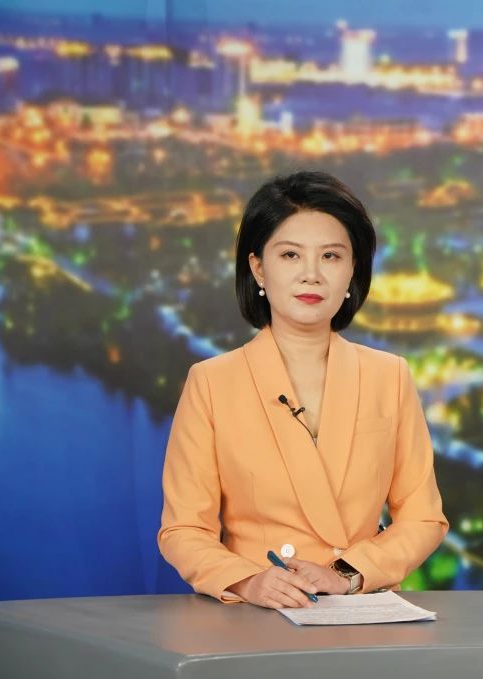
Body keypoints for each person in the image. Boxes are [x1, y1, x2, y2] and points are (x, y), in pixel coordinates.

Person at [158, 171, 448, 609]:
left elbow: (423, 517)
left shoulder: (389, 376)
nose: (311, 275)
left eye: (331, 256)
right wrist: (249, 582)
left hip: (361, 610)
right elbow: (184, 529)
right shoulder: (211, 383)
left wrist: (346, 575)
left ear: (352, 270)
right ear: (258, 267)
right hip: (259, 615)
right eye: (290, 255)